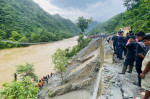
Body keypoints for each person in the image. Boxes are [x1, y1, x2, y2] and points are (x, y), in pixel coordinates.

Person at [136, 35, 150, 99]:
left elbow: (149, 63)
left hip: (148, 72)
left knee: (148, 86)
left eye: (145, 41)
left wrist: (143, 73)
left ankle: (145, 98)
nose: (144, 43)